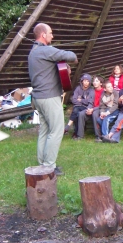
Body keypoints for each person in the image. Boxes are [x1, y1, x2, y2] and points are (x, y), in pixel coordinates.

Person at [28, 23, 77, 175]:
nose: (52, 36)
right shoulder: (45, 50)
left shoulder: (33, 52)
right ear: (43, 35)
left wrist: (62, 70)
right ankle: (49, 166)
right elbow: (72, 56)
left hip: (37, 98)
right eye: (50, 33)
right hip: (49, 97)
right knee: (56, 130)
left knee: (45, 130)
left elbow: (47, 71)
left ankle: (43, 163)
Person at [66, 74, 95, 140]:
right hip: (77, 106)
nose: (86, 83)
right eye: (84, 81)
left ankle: (69, 127)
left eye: (87, 81)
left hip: (85, 108)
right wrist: (84, 101)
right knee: (77, 112)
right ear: (82, 81)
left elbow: (89, 102)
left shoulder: (91, 90)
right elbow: (74, 100)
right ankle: (76, 133)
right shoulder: (78, 88)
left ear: (90, 82)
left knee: (76, 110)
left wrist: (81, 100)